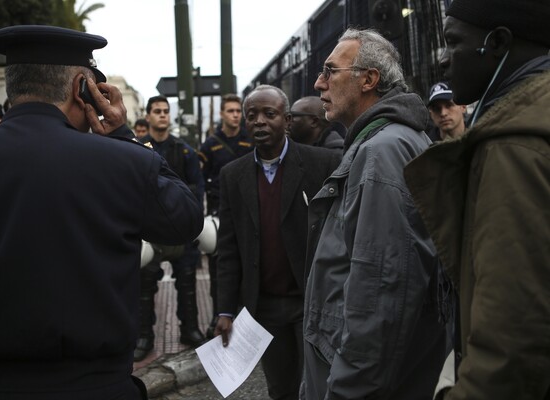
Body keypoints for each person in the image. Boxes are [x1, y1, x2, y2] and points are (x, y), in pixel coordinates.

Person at [0, 25, 203, 400]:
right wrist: (124, 136)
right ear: (81, 89)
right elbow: (184, 220)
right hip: (89, 384)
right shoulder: (122, 162)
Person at [404, 1, 550, 399]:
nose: (443, 62)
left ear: (498, 42)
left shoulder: (512, 146)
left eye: (452, 42)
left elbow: (513, 341)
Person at [301, 28, 448, 400]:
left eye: (330, 71)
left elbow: (382, 292)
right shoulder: (387, 142)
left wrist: (348, 389)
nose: (319, 83)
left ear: (368, 80)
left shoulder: (381, 151)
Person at [214, 85, 341, 400]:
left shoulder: (320, 164)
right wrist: (226, 310)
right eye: (252, 115)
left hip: (311, 300)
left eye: (269, 114)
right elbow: (228, 248)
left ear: (286, 121)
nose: (259, 122)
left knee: (318, 385)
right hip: (265, 307)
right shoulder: (233, 175)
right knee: (280, 388)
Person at [133, 95, 205, 362]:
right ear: (148, 115)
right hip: (148, 232)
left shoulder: (183, 150)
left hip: (181, 231)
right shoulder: (136, 148)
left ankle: (190, 329)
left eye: (165, 111)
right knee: (144, 288)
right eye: (157, 111)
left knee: (187, 283)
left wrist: (194, 228)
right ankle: (144, 336)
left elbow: (197, 190)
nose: (162, 115)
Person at [197, 93, 253, 338]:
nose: (235, 115)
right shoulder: (210, 145)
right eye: (230, 111)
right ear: (221, 114)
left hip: (249, 212)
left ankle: (245, 315)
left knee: (248, 265)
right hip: (220, 215)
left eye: (238, 111)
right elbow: (200, 180)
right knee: (219, 268)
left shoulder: (250, 141)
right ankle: (217, 314)